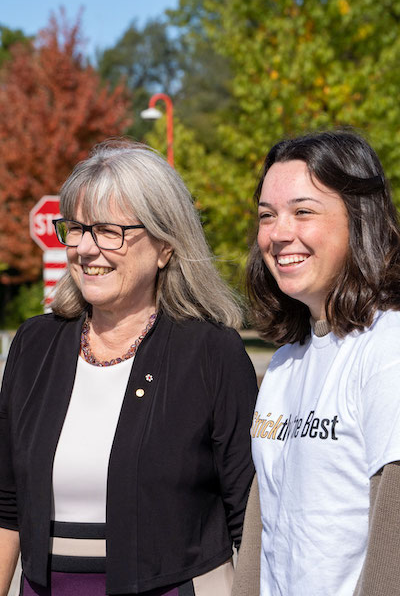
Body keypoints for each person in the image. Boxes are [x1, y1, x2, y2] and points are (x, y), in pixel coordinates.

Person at [0, 139, 258, 596]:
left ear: (164, 246)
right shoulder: (35, 345)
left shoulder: (210, 353)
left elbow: (248, 517)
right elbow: (5, 508)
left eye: (108, 231)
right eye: (76, 229)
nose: (85, 248)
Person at [242, 130, 400, 596]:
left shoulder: (386, 347)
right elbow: (263, 526)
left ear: (360, 219)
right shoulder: (287, 361)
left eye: (303, 211)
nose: (278, 233)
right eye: (267, 216)